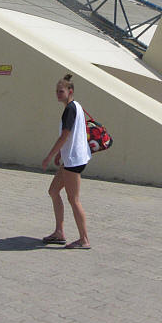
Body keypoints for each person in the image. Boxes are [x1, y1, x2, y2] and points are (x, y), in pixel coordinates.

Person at [41, 73, 92, 249]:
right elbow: (72, 136)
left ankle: (84, 239)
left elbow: (65, 135)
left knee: (73, 199)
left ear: (70, 91)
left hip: (74, 161)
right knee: (53, 191)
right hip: (72, 158)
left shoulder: (70, 109)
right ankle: (59, 233)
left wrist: (50, 155)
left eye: (61, 91)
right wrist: (60, 155)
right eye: (56, 91)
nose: (58, 94)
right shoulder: (76, 106)